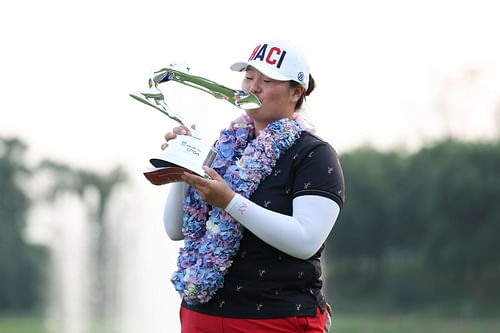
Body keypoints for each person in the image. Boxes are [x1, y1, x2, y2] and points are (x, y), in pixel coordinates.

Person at [161, 40, 345, 333]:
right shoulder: (222, 147)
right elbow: (175, 230)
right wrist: (185, 163)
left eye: (267, 80)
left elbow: (305, 240)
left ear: (296, 92)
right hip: (201, 317)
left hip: (276, 321)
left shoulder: (314, 155)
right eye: (248, 77)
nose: (253, 87)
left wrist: (230, 201)